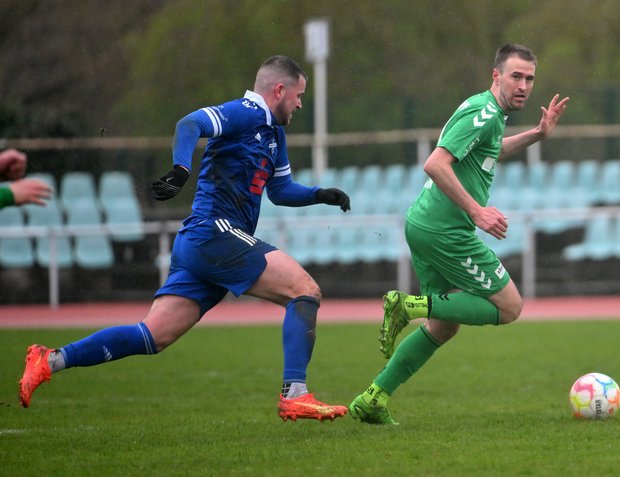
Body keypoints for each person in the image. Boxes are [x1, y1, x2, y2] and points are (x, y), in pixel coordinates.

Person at [18, 55, 353, 422]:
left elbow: (280, 189)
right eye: (299, 95)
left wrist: (320, 195)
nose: (300, 104)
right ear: (279, 90)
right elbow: (190, 123)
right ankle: (296, 394)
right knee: (304, 290)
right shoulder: (244, 113)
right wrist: (181, 168)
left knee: (152, 336)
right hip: (214, 233)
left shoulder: (274, 134)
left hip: (202, 244)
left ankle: (50, 360)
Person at [348, 44, 569, 425]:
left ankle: (373, 398)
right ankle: (409, 306)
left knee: (444, 326)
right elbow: (435, 163)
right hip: (445, 230)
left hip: (425, 225)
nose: (523, 86)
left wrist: (536, 134)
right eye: (516, 76)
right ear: (496, 76)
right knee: (510, 307)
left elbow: (490, 151)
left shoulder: (490, 113)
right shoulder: (485, 114)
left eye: (529, 78)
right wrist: (476, 211)